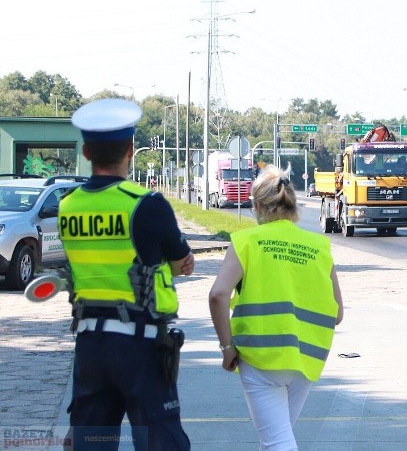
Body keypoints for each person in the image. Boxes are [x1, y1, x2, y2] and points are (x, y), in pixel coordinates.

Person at [59, 98, 195, 450]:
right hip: (141, 345)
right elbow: (182, 263)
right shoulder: (146, 203)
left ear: (86, 152)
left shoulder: (67, 205)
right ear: (132, 149)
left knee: (92, 442)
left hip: (90, 345)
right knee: (161, 441)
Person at [209, 166, 343, 450]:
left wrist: (227, 348)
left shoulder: (246, 242)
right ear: (293, 205)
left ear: (257, 205)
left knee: (277, 442)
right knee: (277, 437)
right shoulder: (319, 245)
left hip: (261, 357)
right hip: (306, 359)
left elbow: (218, 295)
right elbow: (338, 313)